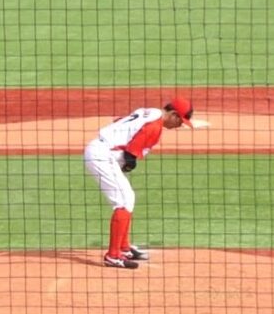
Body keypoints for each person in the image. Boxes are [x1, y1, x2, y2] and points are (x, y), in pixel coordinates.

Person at [84, 96, 196, 269]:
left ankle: (124, 248)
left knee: (127, 198)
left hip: (102, 151)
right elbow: (130, 155)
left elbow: (119, 122)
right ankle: (113, 256)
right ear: (173, 114)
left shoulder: (150, 112)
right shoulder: (155, 126)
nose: (179, 125)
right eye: (180, 120)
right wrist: (128, 165)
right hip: (102, 155)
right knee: (123, 200)